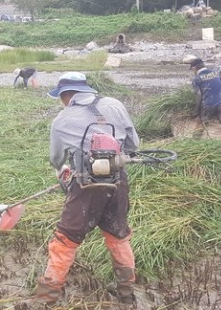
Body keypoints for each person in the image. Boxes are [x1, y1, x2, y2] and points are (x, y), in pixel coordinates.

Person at [30, 72, 140, 306]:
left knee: (65, 239)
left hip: (86, 186)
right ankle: (126, 293)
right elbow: (134, 145)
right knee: (118, 235)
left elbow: (56, 159)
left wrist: (63, 171)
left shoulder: (62, 119)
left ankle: (46, 298)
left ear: (65, 95)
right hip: (119, 180)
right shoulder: (115, 104)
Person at [190, 58, 221, 140]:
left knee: (201, 124)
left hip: (208, 104)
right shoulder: (215, 73)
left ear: (194, 68)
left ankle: (194, 142)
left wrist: (196, 110)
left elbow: (199, 95)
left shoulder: (196, 79)